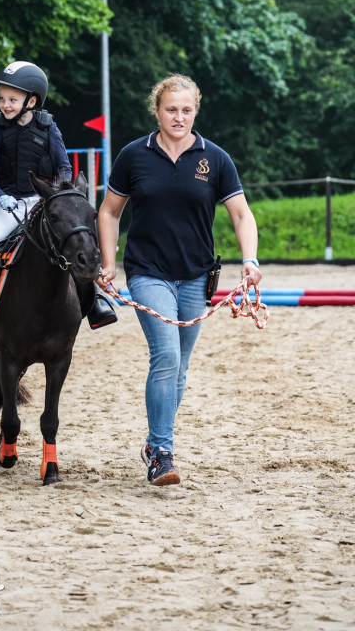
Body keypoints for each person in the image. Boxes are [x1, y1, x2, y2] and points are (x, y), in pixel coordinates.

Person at [96, 73, 262, 486]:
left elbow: (241, 214)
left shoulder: (215, 159)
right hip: (147, 272)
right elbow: (109, 212)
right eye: (171, 109)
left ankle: (155, 444)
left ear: (195, 112)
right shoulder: (134, 156)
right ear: (157, 110)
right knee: (166, 357)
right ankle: (162, 453)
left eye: (187, 110)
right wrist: (108, 261)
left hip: (196, 277)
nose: (179, 117)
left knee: (181, 367)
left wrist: (250, 258)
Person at [0, 60, 117, 332]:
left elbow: (64, 164)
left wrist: (61, 193)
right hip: (8, 205)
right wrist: (0, 198)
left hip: (44, 202)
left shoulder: (48, 126)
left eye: (12, 99)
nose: (5, 104)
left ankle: (95, 303)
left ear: (31, 101)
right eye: (3, 99)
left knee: (76, 241)